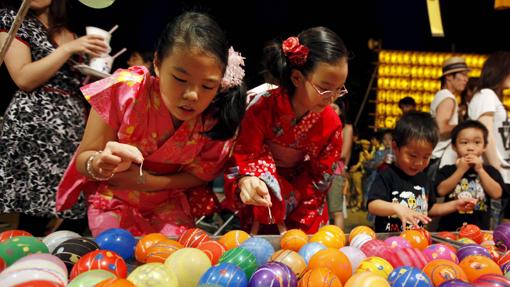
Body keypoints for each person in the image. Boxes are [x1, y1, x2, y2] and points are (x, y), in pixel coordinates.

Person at [57, 12, 247, 236]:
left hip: (169, 204)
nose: (192, 95)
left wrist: (148, 182)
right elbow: (84, 158)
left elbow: (202, 174)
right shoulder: (124, 91)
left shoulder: (216, 115)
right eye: (180, 79)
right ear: (157, 63)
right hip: (113, 201)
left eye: (207, 86)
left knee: (178, 259)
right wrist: (98, 164)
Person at [224, 27, 349, 234]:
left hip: (304, 199)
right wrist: (262, 184)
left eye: (340, 89)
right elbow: (246, 155)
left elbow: (321, 174)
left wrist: (292, 195)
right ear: (297, 78)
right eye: (325, 88)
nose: (332, 97)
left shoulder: (331, 121)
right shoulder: (261, 108)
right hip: (261, 190)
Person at [0, 0, 108, 236]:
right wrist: (67, 49)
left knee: (75, 211)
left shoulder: (69, 30)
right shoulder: (13, 20)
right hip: (35, 128)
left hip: (72, 128)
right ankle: (26, 268)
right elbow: (23, 77)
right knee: (34, 216)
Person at [367, 111, 476, 232]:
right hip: (390, 242)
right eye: (413, 155)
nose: (419, 162)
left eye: (426, 157)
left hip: (417, 242)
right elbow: (373, 205)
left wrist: (455, 205)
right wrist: (396, 208)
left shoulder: (424, 178)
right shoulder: (387, 174)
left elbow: (429, 209)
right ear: (395, 147)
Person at [435, 120, 504, 231]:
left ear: (485, 146)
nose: (470, 147)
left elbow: (497, 193)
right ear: (454, 146)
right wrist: (460, 170)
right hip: (449, 230)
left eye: (477, 142)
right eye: (464, 142)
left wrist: (480, 170)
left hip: (479, 230)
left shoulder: (490, 171)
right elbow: (440, 191)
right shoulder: (448, 169)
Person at [467, 51, 510, 224]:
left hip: (502, 173)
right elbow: (485, 133)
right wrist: (496, 169)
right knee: (497, 231)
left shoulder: (491, 97)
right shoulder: (486, 95)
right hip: (495, 174)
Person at [429, 57, 471, 171]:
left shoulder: (443, 95)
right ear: (448, 76)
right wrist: (466, 127)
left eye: (466, 75)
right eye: (462, 75)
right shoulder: (448, 97)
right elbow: (441, 128)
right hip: (439, 158)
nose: (466, 79)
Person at [327, 100, 353, 229]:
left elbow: (343, 153)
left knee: (336, 210)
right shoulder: (323, 124)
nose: (330, 110)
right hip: (320, 172)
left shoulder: (347, 128)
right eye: (328, 107)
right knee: (321, 211)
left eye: (334, 108)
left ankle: (338, 241)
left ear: (341, 110)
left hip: (335, 172)